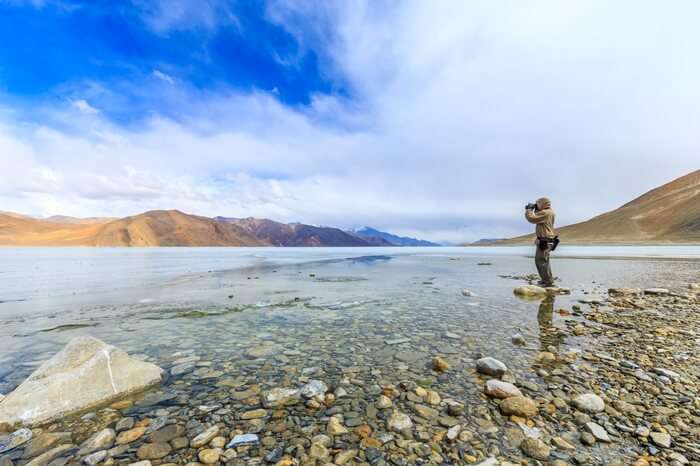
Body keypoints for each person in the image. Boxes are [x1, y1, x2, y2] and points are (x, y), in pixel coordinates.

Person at [525, 197, 556, 287]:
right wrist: (536, 209)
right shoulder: (550, 212)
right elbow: (538, 217)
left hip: (545, 240)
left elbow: (532, 218)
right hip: (546, 240)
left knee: (542, 261)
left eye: (537, 203)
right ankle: (546, 280)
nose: (536, 205)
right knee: (542, 260)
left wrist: (529, 210)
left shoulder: (546, 213)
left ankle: (548, 282)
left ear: (543, 203)